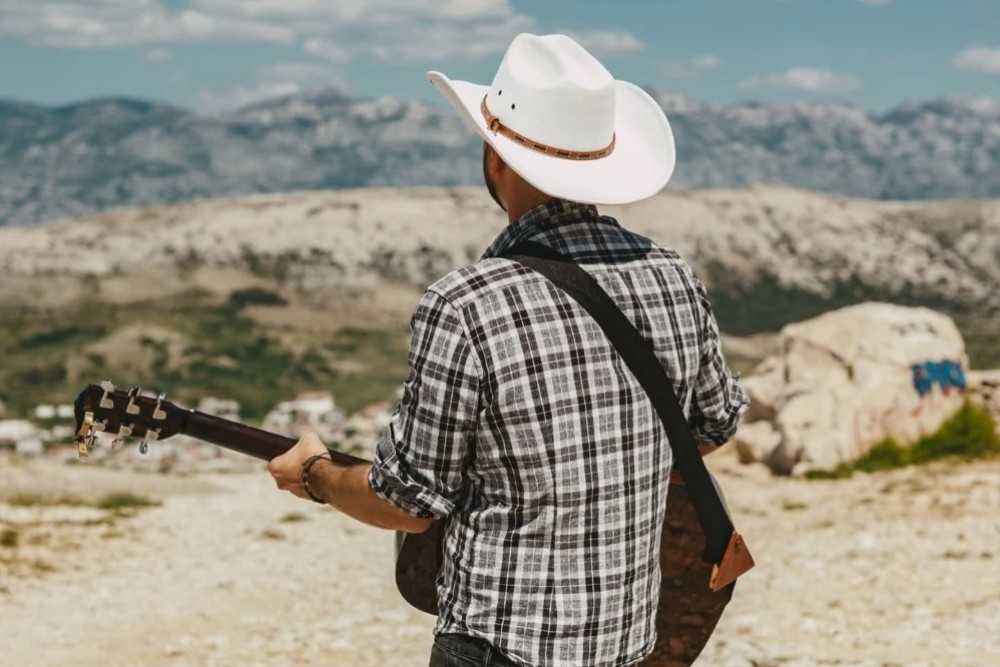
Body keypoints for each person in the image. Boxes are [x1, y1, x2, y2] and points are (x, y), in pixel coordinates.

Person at [269, 33, 748, 667]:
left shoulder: (465, 302)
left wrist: (316, 474)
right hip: (632, 643)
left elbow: (407, 504)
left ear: (496, 157)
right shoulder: (672, 275)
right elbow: (713, 425)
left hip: (500, 645)